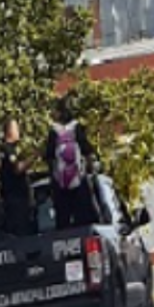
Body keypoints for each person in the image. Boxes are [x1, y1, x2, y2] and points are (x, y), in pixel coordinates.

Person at [44, 96, 100, 230]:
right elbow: (88, 152)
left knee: (63, 220)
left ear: (59, 112)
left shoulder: (53, 132)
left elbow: (49, 157)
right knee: (85, 219)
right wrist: (91, 169)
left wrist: (53, 178)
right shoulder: (77, 128)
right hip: (79, 181)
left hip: (61, 186)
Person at [0, 119, 38, 236]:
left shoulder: (15, 149)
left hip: (21, 198)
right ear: (10, 131)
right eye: (16, 128)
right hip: (16, 199)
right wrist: (34, 157)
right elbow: (18, 168)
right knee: (22, 231)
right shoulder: (7, 149)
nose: (18, 131)